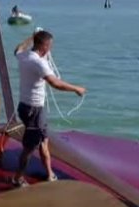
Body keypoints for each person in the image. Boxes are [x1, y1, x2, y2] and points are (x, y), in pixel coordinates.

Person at [12, 30, 86, 187]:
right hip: (33, 111)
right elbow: (55, 83)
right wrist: (76, 89)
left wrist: (31, 38)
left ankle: (50, 174)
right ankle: (17, 178)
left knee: (44, 141)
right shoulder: (38, 63)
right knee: (29, 147)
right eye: (49, 46)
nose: (50, 49)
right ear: (44, 46)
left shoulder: (24, 55)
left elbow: (17, 49)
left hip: (28, 107)